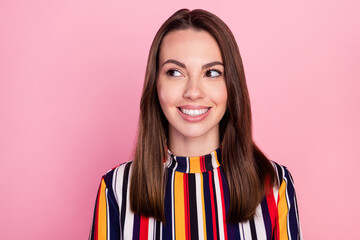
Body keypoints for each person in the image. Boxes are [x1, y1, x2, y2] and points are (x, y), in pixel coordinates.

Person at [89, 8, 302, 240]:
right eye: (175, 72)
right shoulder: (117, 188)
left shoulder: (274, 184)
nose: (193, 92)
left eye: (211, 73)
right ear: (155, 84)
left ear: (232, 85)